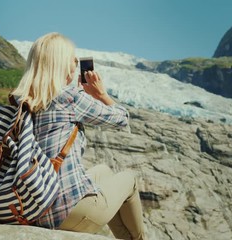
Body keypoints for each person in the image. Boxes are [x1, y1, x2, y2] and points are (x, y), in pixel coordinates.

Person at [11, 32, 145, 240]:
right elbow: (121, 118)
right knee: (131, 179)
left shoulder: (21, 104)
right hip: (67, 212)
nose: (75, 64)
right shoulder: (70, 98)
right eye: (73, 59)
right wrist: (101, 94)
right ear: (63, 63)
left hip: (34, 209)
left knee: (103, 171)